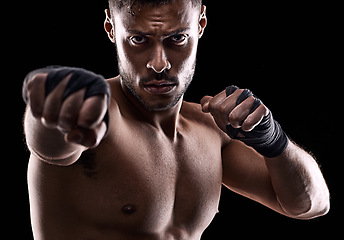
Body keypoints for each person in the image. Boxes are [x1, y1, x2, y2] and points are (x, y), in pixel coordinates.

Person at [22, 0, 330, 239]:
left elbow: (311, 205)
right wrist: (52, 106)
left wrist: (274, 142)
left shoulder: (209, 130)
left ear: (201, 25)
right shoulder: (100, 118)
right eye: (139, 40)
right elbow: (49, 145)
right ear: (111, 29)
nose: (160, 63)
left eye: (177, 38)